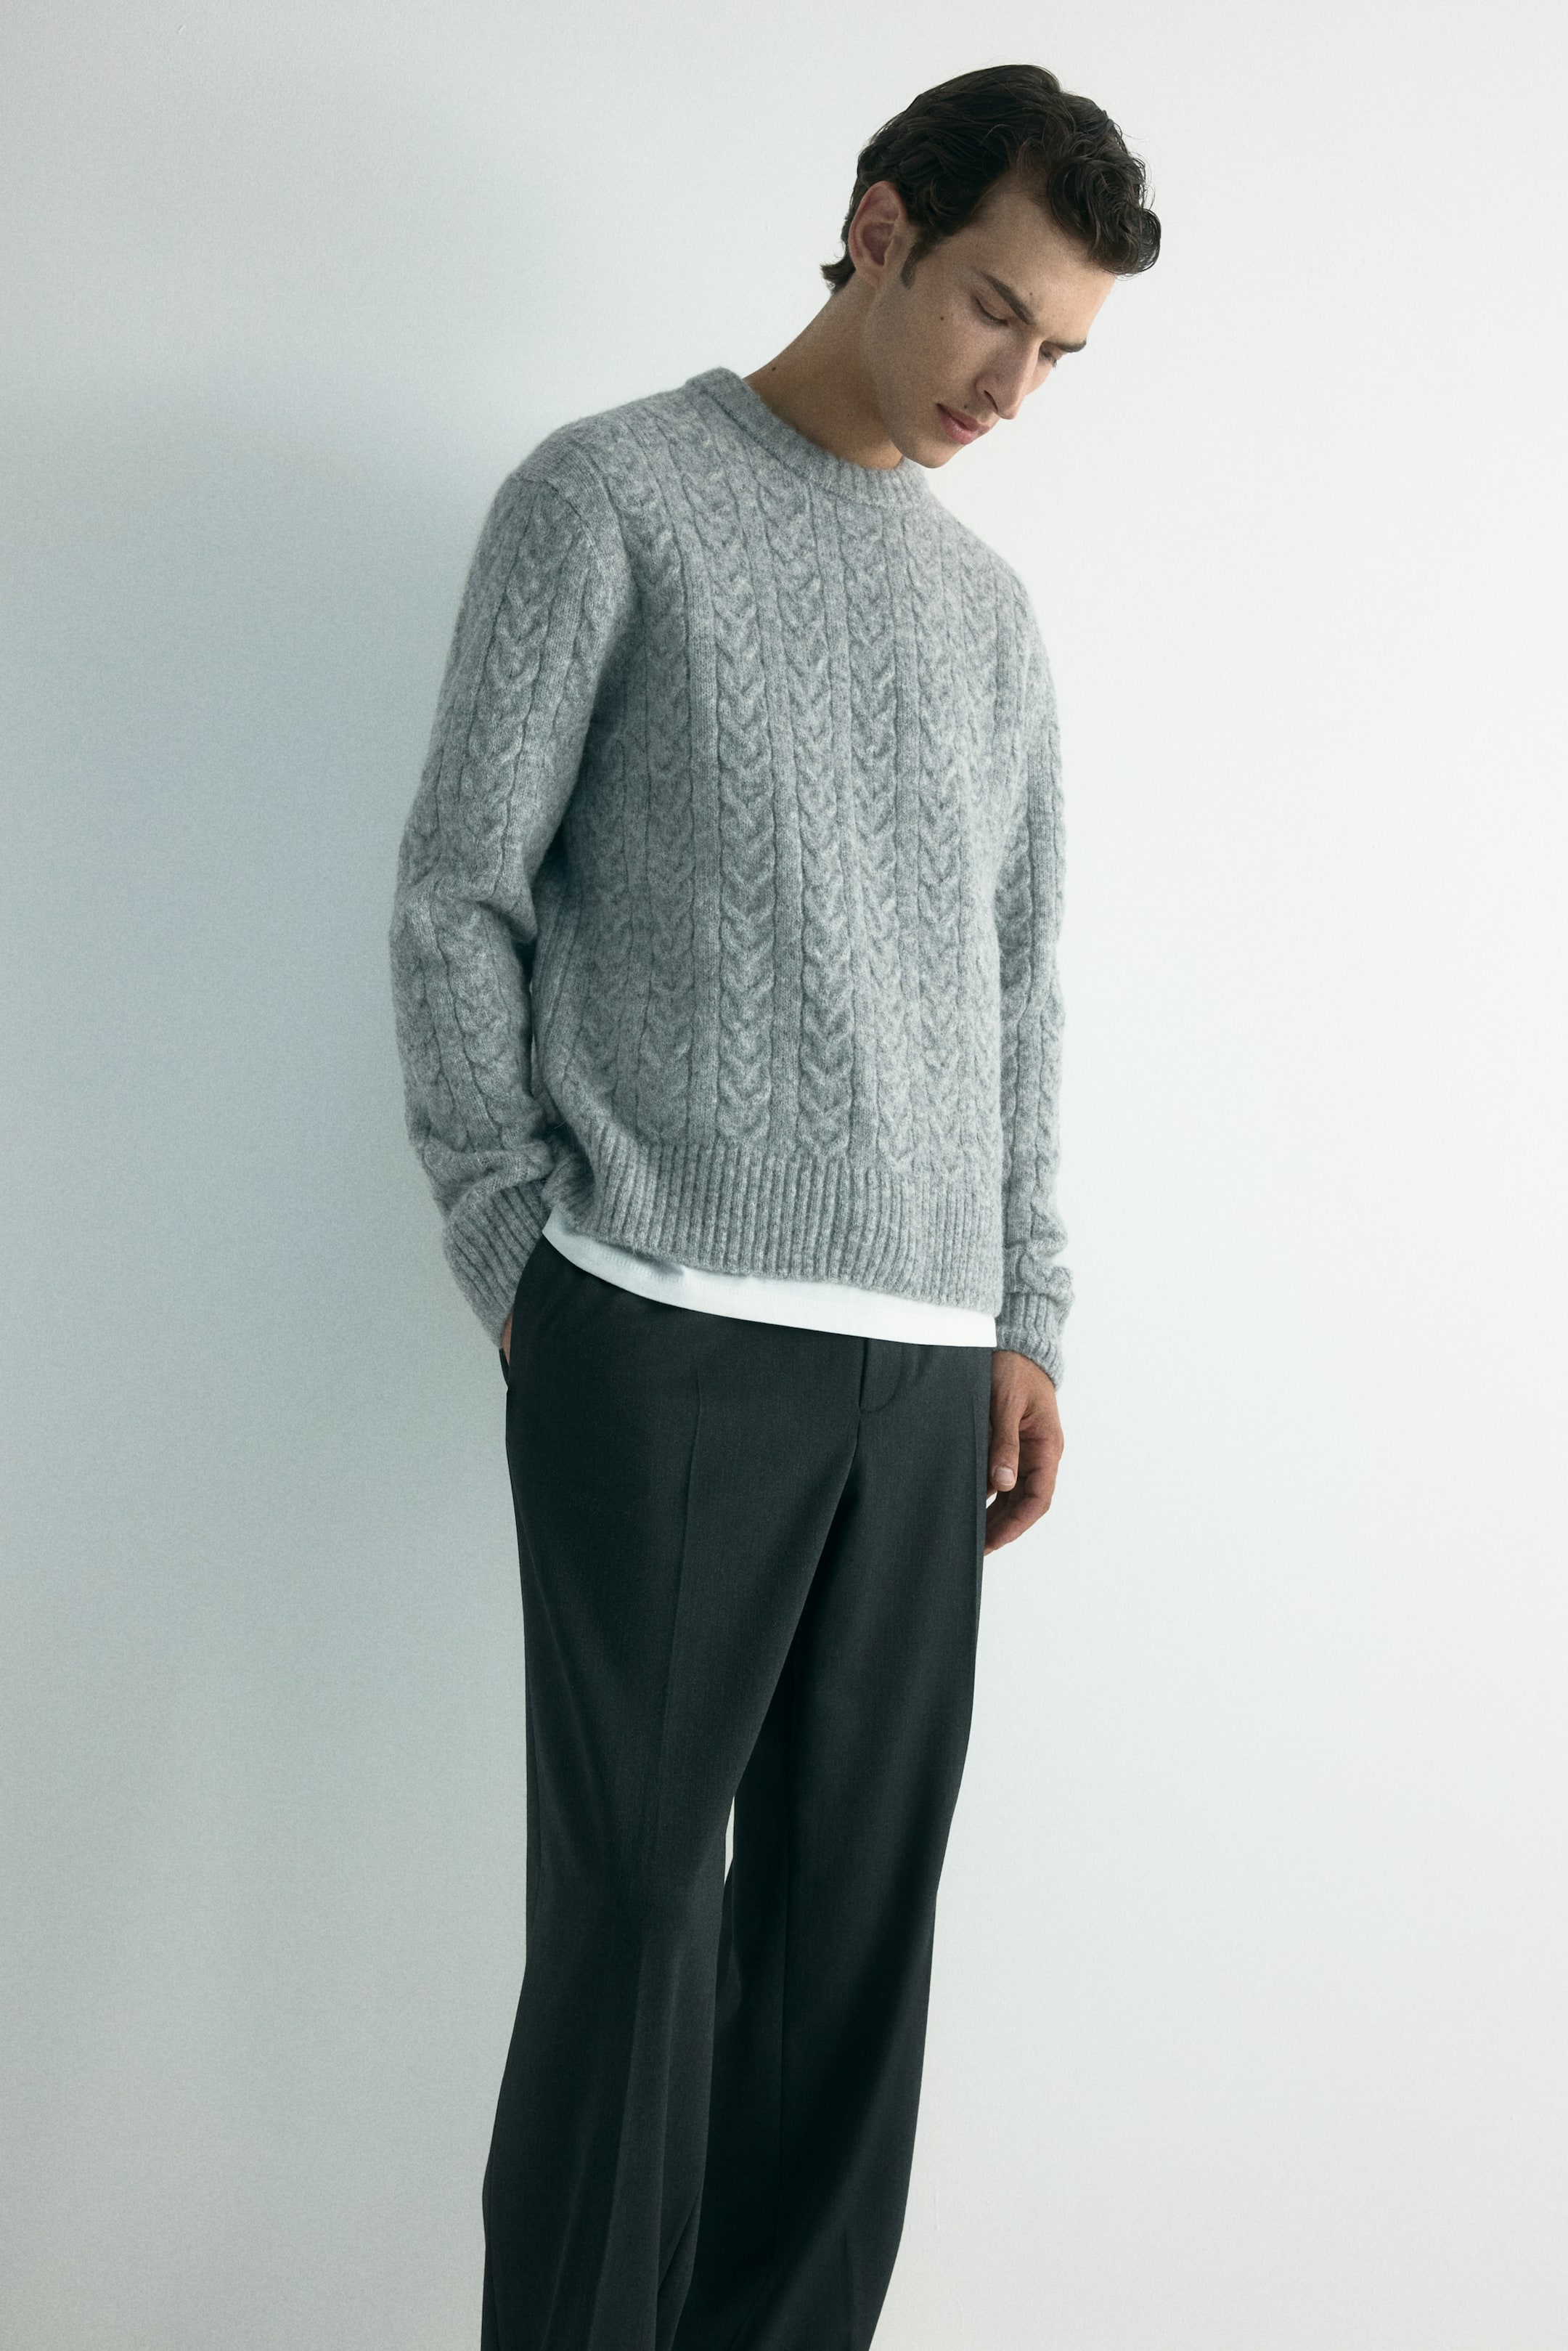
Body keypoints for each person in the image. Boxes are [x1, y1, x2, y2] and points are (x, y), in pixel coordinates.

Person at [388, 60, 1159, 2351]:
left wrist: (1024, 1313)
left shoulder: (990, 617)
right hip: (657, 1328)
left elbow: (1016, 987)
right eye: (999, 311)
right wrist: (515, 1246)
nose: (1015, 387)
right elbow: (458, 893)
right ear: (880, 224)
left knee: (845, 1970)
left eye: (1063, 355)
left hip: (922, 1380)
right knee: (637, 1932)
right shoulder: (609, 498)